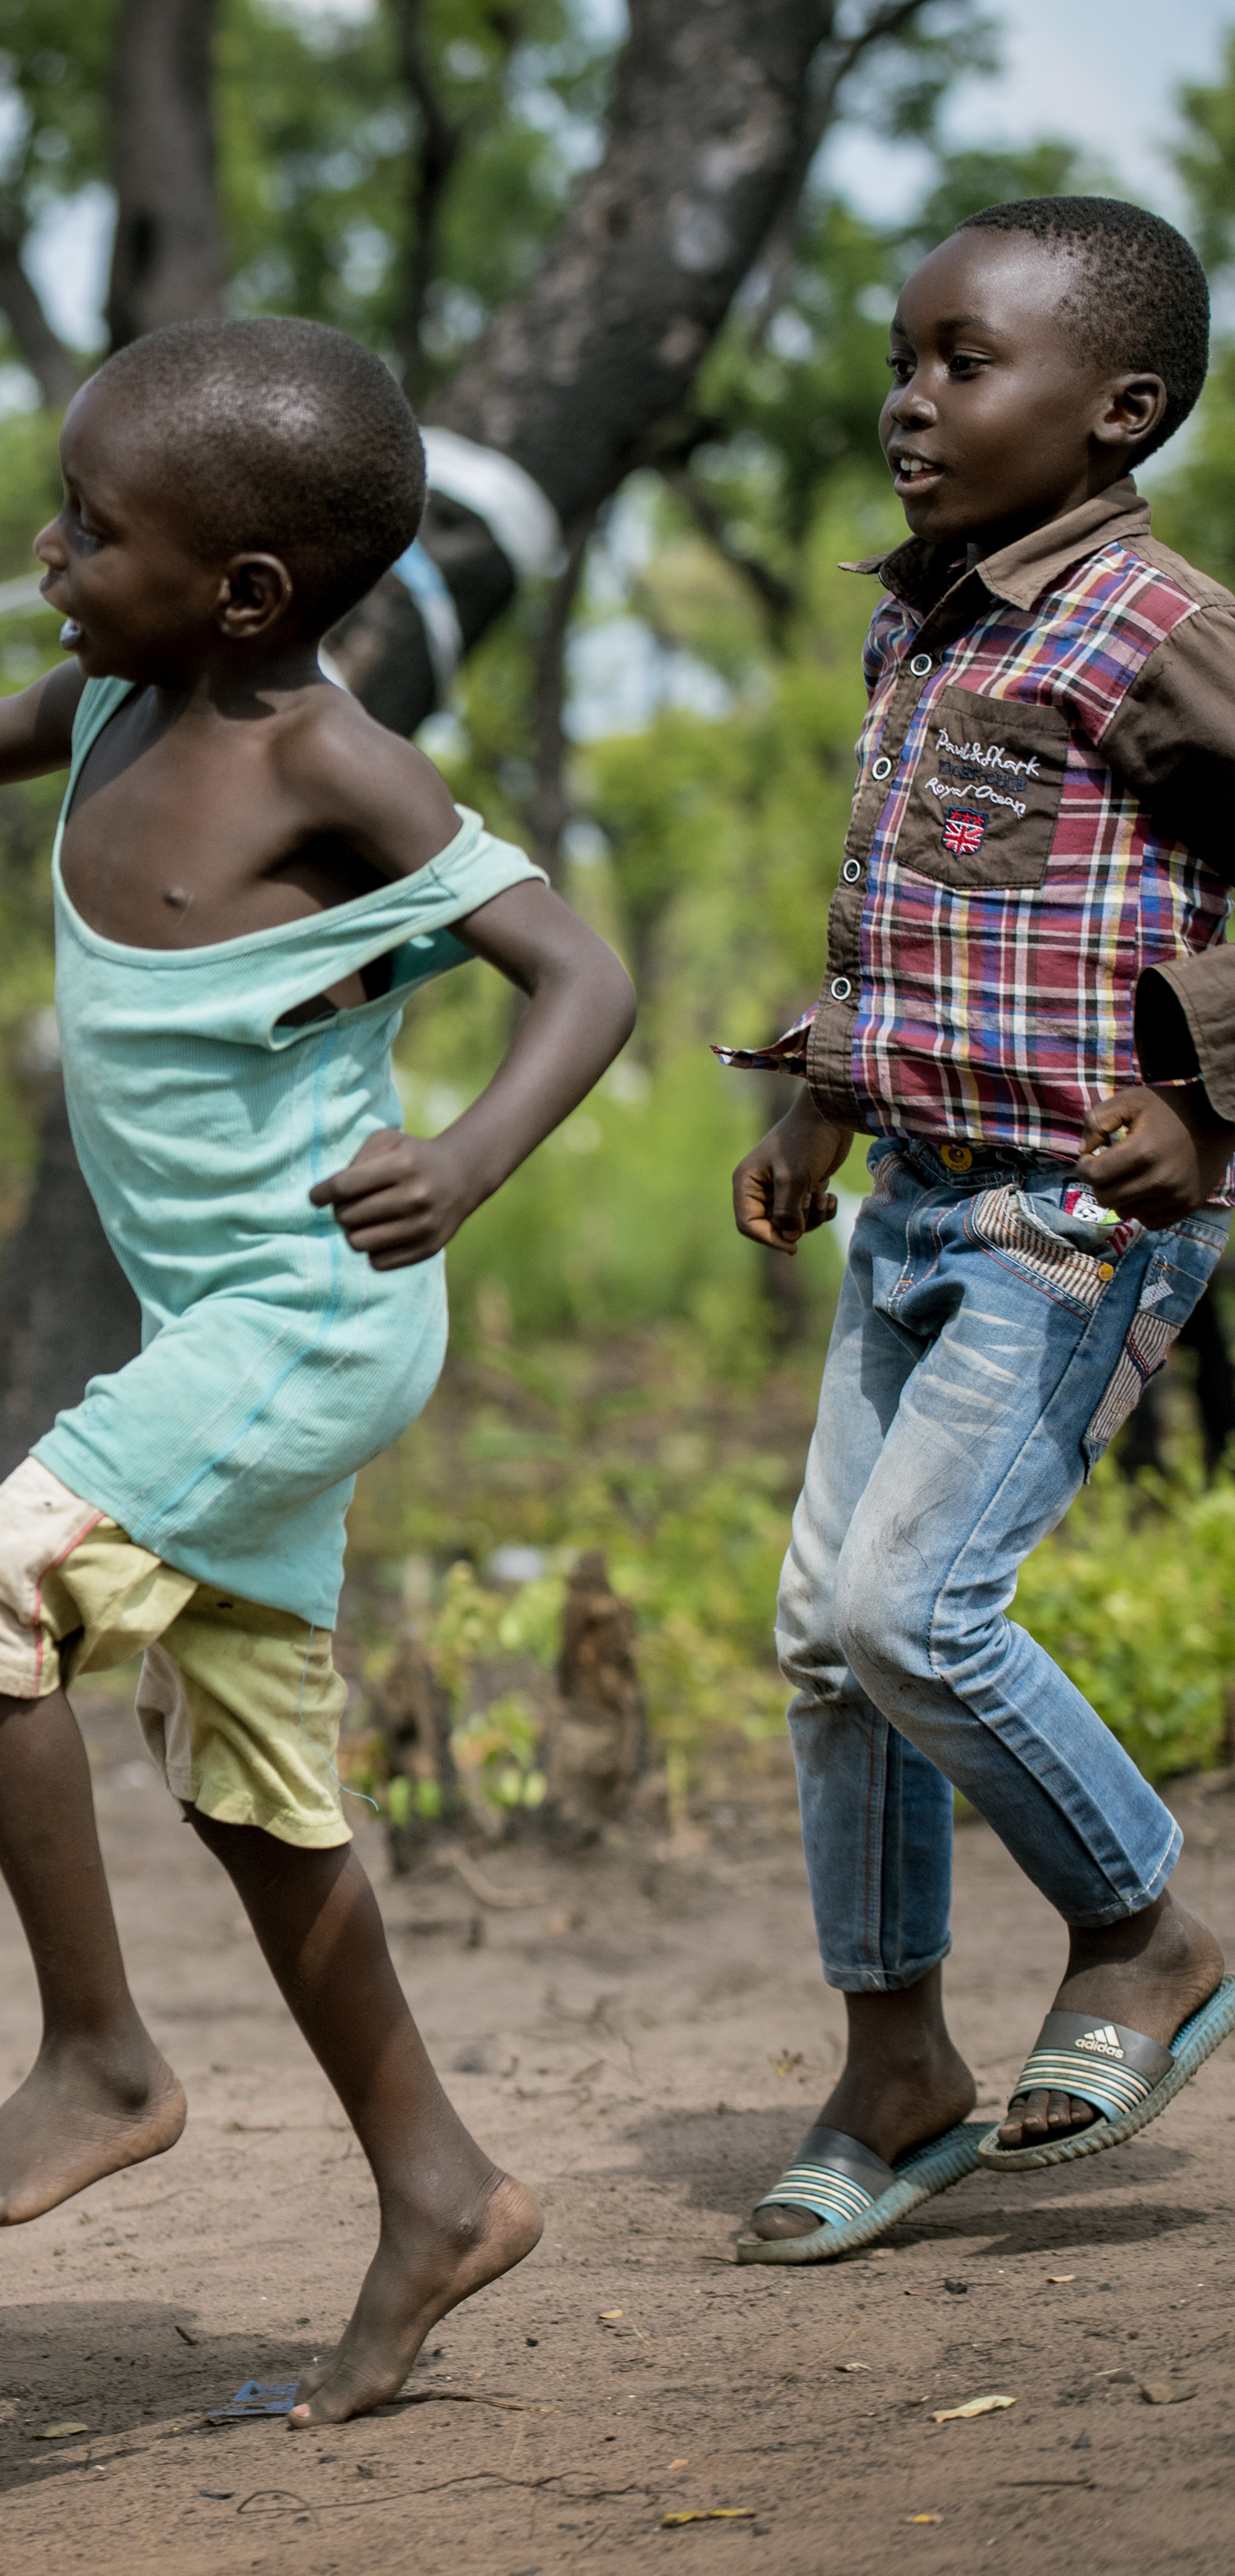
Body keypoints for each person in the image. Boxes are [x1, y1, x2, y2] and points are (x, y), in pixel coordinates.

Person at [0, 316, 634, 2423]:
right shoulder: (108, 705)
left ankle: (99, 2057)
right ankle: (444, 2191)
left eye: (91, 528)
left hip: (312, 1319)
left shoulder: (332, 769)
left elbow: (581, 970)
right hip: (221, 1341)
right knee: (257, 1798)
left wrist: (473, 1157)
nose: (48, 551)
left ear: (242, 591)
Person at [726, 197, 1235, 2264]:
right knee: (824, 1650)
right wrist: (823, 1093)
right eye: (904, 359)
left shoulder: (1156, 626)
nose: (907, 404)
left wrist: (1207, 1101)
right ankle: (898, 2060)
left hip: (1074, 1214)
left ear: (1117, 414)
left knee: (909, 1616)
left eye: (964, 365)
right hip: (921, 1199)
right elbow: (916, 905)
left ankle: (1145, 1931)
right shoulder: (923, 620)